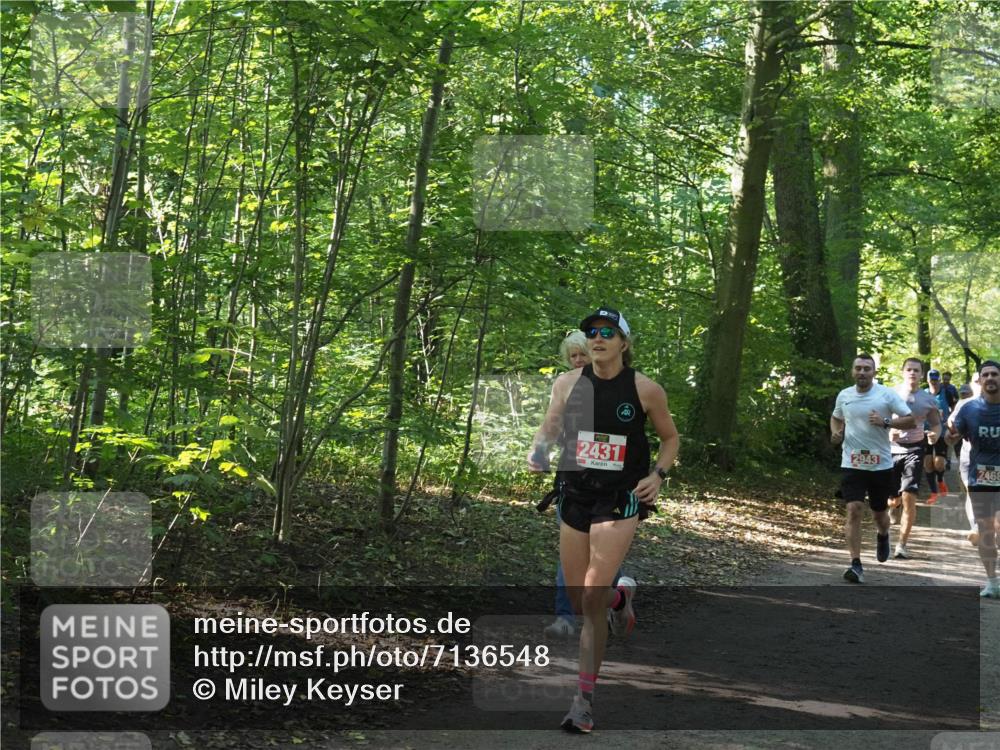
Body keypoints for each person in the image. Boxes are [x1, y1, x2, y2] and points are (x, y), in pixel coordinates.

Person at [528, 307, 679, 732]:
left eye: (607, 332)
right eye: (591, 332)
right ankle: (620, 599)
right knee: (582, 602)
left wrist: (658, 475)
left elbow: (670, 438)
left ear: (623, 343)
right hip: (574, 494)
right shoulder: (566, 384)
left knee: (591, 595)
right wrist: (538, 451)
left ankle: (583, 700)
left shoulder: (645, 389)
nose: (597, 338)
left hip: (620, 499)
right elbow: (549, 429)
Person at [545, 331, 623, 639]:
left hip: (610, 483)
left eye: (583, 354)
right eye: (572, 356)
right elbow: (551, 424)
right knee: (570, 556)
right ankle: (564, 617)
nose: (578, 360)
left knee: (604, 554)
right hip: (572, 479)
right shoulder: (563, 385)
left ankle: (607, 608)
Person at [831, 354, 915, 583]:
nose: (862, 372)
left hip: (881, 465)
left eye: (867, 368)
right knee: (854, 509)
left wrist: (886, 422)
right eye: (858, 368)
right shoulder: (844, 395)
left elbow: (911, 420)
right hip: (852, 463)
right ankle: (855, 564)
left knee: (879, 513)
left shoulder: (886, 394)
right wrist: (835, 432)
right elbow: (836, 417)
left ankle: (883, 534)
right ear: (852, 371)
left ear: (874, 372)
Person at [946, 360, 1000, 599]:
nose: (990, 378)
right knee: (987, 531)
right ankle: (992, 582)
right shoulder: (969, 409)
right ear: (980, 380)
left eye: (995, 375)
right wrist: (948, 437)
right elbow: (952, 436)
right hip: (981, 477)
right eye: (986, 375)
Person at [887, 358, 941, 559]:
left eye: (916, 370)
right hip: (891, 450)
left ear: (921, 374)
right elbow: (879, 421)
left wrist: (935, 434)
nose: (912, 373)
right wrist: (888, 431)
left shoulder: (928, 399)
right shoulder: (890, 395)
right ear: (903, 372)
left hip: (915, 451)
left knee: (910, 497)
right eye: (909, 369)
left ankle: (901, 544)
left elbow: (936, 424)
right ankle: (894, 503)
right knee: (892, 500)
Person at [950, 376, 981, 546]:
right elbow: (952, 421)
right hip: (969, 457)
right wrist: (953, 430)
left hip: (994, 457)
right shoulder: (964, 404)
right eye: (976, 381)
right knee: (972, 492)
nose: (979, 383)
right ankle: (976, 527)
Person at [924, 369, 951, 500]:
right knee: (928, 463)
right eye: (932, 380)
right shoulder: (922, 394)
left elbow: (956, 407)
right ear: (928, 380)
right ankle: (934, 493)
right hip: (925, 432)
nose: (934, 382)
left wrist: (951, 422)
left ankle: (940, 480)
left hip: (942, 432)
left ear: (939, 380)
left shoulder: (947, 393)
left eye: (936, 380)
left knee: (939, 464)